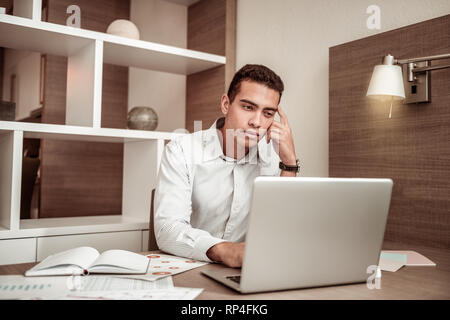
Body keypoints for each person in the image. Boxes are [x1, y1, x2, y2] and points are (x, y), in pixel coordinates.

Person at [154, 64, 298, 268]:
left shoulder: (275, 159)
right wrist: (227, 251)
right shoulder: (182, 150)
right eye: (248, 107)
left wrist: (290, 164)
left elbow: (281, 231)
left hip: (248, 271)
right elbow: (167, 229)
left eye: (267, 113)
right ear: (225, 104)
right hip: (188, 266)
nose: (257, 122)